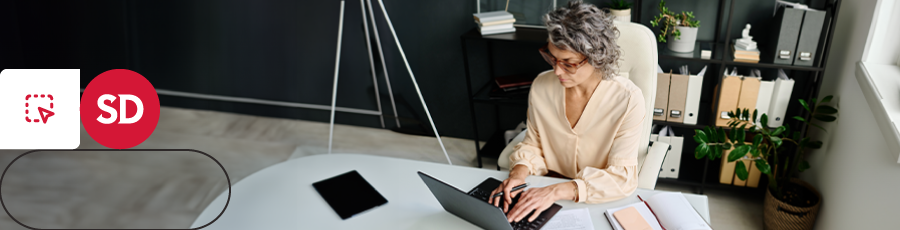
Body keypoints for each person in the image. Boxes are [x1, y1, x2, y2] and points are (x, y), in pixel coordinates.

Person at [488, 0, 646, 223]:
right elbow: (533, 143)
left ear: (597, 57)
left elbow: (622, 178)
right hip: (542, 188)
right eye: (552, 58)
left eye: (568, 63)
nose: (556, 70)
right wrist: (518, 175)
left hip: (594, 198)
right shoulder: (542, 86)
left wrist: (555, 191)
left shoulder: (628, 99)